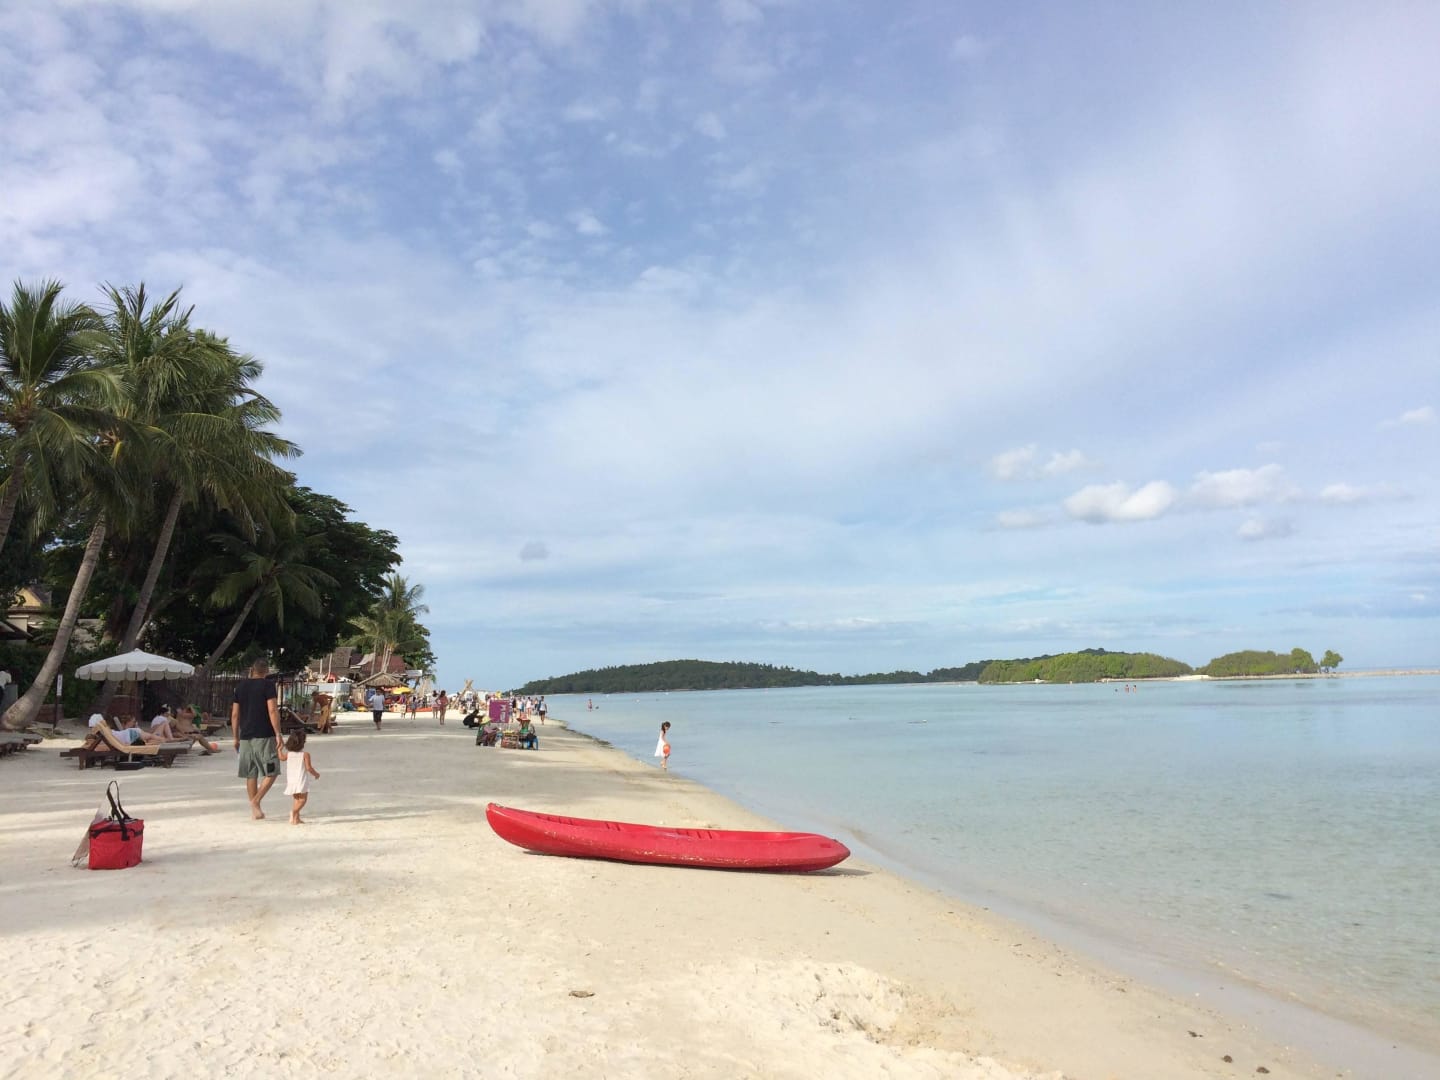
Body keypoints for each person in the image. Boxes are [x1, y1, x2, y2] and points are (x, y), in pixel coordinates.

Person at [232, 657, 284, 820]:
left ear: (252, 670)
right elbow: (272, 710)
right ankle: (256, 801)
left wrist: (235, 737)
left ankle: (255, 809)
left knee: (251, 773)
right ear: (266, 671)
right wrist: (278, 733)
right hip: (264, 735)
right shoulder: (268, 685)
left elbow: (235, 715)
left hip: (245, 736)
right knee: (272, 770)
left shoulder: (240, 687)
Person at [277, 730, 321, 825]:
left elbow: (281, 758)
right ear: (302, 743)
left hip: (291, 779)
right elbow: (309, 768)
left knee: (296, 799)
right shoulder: (305, 755)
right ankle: (294, 812)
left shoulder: (289, 754)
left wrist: (279, 750)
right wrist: (316, 774)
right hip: (301, 779)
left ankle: (296, 819)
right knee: (303, 800)